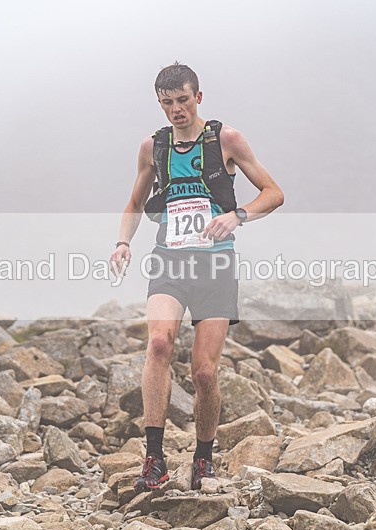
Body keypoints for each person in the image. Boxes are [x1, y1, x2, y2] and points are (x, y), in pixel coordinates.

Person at [110, 63, 283, 492]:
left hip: (215, 266)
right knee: (158, 343)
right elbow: (134, 203)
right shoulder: (153, 147)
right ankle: (154, 460)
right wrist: (122, 243)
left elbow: (274, 193)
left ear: (199, 97)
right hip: (169, 261)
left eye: (183, 100)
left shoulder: (226, 139)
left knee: (204, 372)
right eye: (167, 103)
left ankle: (203, 459)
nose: (176, 110)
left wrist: (237, 215)